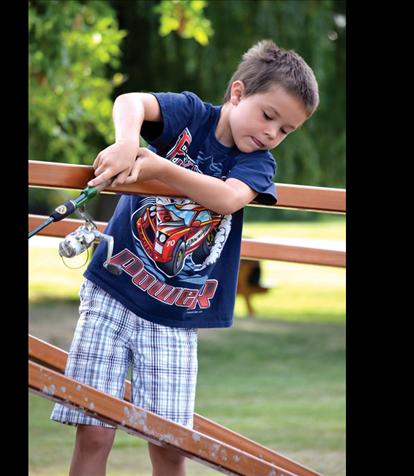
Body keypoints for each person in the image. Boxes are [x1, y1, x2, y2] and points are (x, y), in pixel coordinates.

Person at [51, 39, 319, 476]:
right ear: (237, 93)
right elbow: (130, 101)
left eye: (286, 130)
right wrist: (125, 144)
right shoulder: (192, 115)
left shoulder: (257, 165)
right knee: (94, 430)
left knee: (171, 445)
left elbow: (229, 199)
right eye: (269, 116)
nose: (272, 133)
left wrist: (161, 169)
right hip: (110, 291)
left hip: (175, 316)